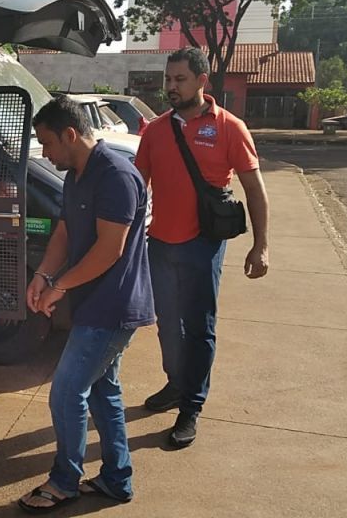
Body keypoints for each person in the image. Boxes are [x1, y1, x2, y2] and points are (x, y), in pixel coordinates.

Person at [17, 95, 154, 514]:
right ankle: (116, 479)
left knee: (66, 392)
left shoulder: (115, 175)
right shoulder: (78, 174)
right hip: (93, 302)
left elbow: (108, 250)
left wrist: (58, 286)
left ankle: (64, 482)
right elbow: (64, 233)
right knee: (102, 393)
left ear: (70, 134)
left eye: (47, 143)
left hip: (112, 308)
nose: (44, 152)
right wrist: (42, 276)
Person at [134, 47, 270, 449]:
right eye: (168, 80)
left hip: (202, 245)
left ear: (201, 81)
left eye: (180, 80)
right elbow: (136, 188)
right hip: (159, 243)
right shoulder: (156, 130)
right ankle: (176, 384)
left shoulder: (229, 127)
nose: (172, 87)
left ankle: (191, 405)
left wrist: (261, 246)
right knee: (167, 324)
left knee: (199, 328)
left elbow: (255, 190)